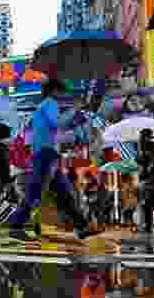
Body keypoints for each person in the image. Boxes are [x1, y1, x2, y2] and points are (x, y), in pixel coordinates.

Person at [8, 79, 93, 241]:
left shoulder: (43, 107)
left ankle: (82, 226)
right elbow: (59, 123)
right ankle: (15, 225)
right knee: (35, 192)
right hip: (46, 154)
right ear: (54, 91)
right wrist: (75, 109)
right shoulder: (50, 103)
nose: (63, 96)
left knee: (64, 193)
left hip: (47, 154)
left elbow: (54, 127)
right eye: (61, 92)